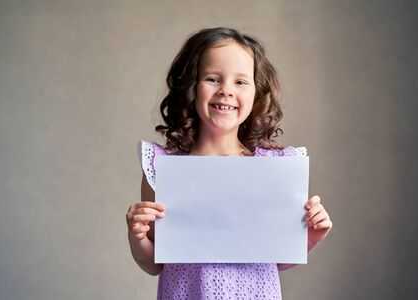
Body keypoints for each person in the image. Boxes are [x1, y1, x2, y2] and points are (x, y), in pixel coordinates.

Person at [126, 27, 332, 299]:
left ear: (256, 94)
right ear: (190, 86)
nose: (226, 91)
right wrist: (137, 236)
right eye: (213, 78)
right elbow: (154, 263)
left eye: (240, 82)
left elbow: (277, 259)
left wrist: (312, 236)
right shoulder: (162, 167)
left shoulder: (273, 169)